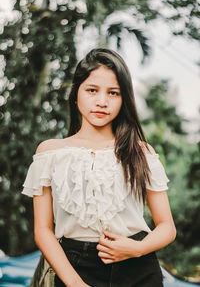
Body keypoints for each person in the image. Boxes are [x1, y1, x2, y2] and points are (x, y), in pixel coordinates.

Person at [22, 48, 176, 287]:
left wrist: (137, 248)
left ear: (124, 98)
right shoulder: (49, 153)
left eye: (113, 93)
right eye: (92, 90)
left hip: (138, 267)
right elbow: (43, 231)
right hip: (74, 268)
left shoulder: (141, 152)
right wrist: (75, 283)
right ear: (76, 94)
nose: (102, 102)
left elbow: (167, 226)